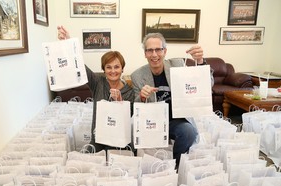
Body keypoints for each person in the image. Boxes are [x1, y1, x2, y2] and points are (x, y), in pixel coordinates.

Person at [131, 32, 214, 169]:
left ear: (165, 51)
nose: (154, 54)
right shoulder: (137, 76)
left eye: (158, 49)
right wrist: (142, 97)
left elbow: (207, 84)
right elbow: (136, 108)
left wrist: (200, 62)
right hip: (153, 121)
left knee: (188, 131)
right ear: (145, 54)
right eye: (150, 50)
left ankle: (176, 166)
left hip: (176, 120)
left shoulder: (177, 65)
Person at [57, 26, 135, 153]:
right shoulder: (98, 83)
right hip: (98, 140)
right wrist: (68, 43)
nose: (113, 71)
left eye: (117, 67)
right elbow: (81, 66)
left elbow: (128, 117)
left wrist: (120, 102)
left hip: (119, 142)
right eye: (108, 67)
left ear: (122, 69)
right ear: (104, 70)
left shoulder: (129, 91)